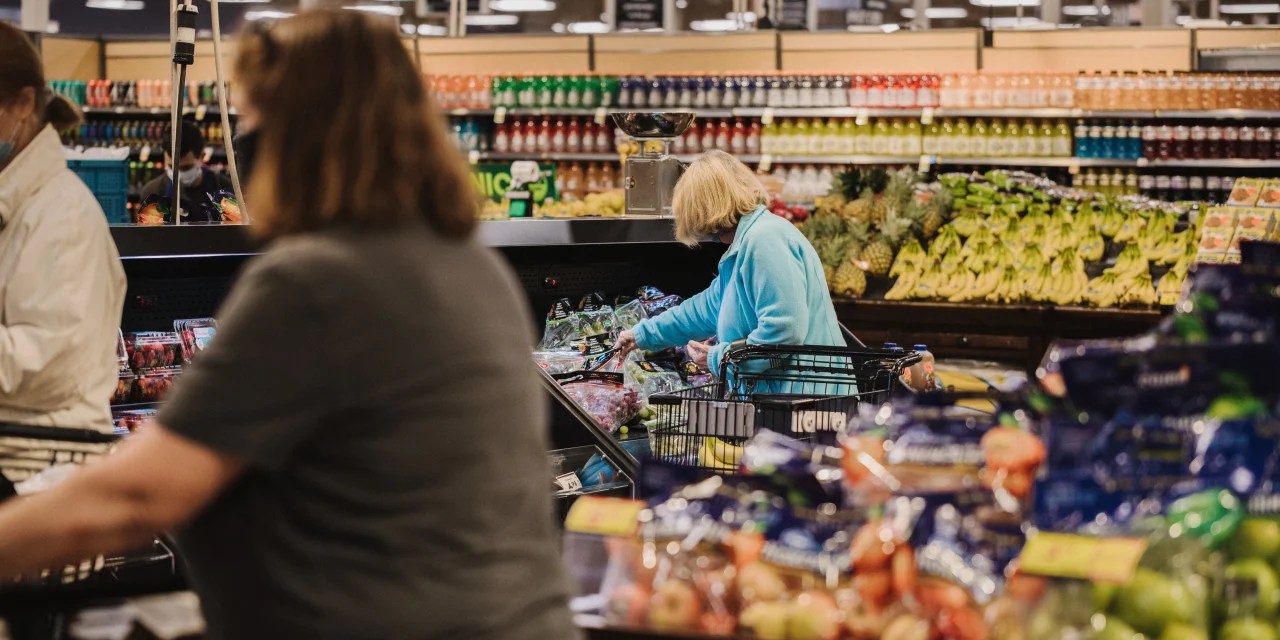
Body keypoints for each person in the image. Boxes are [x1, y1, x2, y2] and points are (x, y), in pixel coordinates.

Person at [0, 11, 577, 640]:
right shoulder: (469, 265)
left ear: (301, 131)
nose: (242, 139)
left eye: (252, 119)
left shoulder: (320, 282)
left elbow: (138, 497)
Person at [616, 149, 843, 379]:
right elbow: (701, 311)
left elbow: (783, 331)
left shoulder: (765, 240)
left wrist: (719, 358)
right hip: (785, 398)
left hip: (806, 401)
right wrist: (641, 335)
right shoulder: (744, 246)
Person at [0, 23, 126, 432]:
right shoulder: (15, 203)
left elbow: (47, 365)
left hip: (37, 464)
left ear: (22, 104)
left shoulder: (64, 218)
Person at [138, 120, 234, 224]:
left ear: (202, 156)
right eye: (172, 167)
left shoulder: (225, 189)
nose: (178, 174)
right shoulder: (152, 192)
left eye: (186, 167)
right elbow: (147, 237)